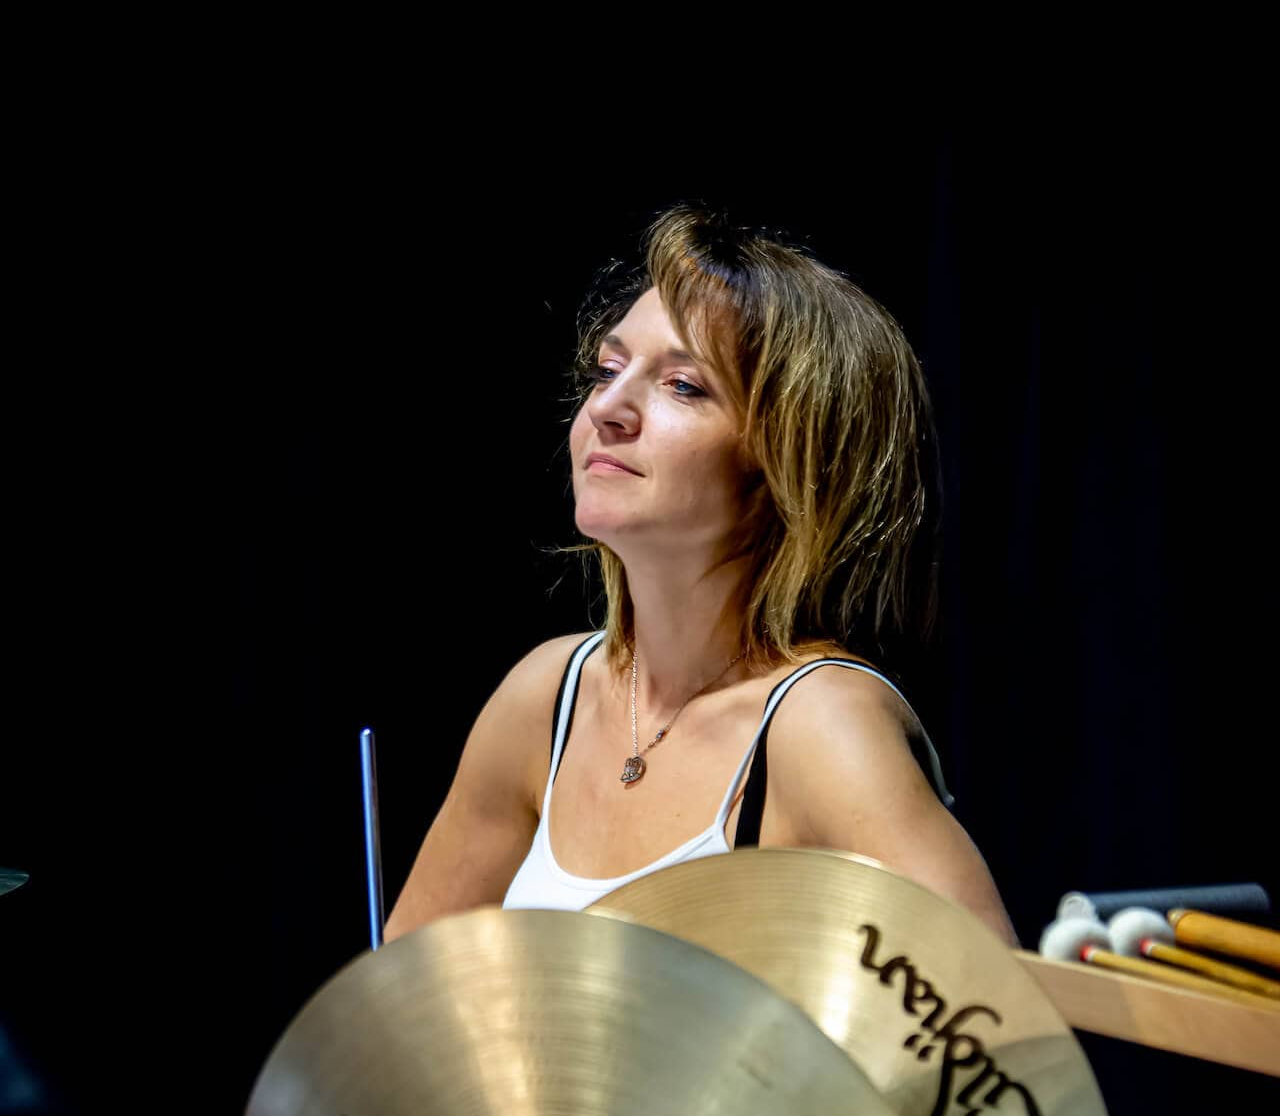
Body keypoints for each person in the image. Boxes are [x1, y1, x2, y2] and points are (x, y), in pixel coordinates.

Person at [385, 207, 1014, 943]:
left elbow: (992, 1009)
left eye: (683, 386)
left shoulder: (822, 724)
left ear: (789, 460)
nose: (608, 408)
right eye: (608, 370)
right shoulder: (546, 696)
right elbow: (403, 995)